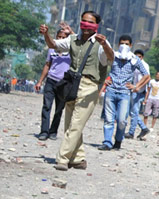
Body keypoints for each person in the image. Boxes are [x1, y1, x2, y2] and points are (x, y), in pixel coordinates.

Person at [39, 11, 114, 171]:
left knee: (76, 124)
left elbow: (110, 58)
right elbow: (53, 45)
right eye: (84, 21)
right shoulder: (72, 40)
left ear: (96, 26)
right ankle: (78, 159)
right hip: (72, 84)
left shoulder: (100, 44)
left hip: (90, 86)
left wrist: (105, 45)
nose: (86, 25)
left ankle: (63, 159)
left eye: (90, 23)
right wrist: (46, 34)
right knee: (70, 124)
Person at [98, 34, 149, 151]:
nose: (124, 46)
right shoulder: (114, 55)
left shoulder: (134, 60)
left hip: (124, 93)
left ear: (131, 45)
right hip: (111, 91)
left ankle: (118, 140)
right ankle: (107, 142)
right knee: (109, 119)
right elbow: (106, 55)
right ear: (118, 44)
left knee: (122, 120)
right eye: (122, 43)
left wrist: (136, 86)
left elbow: (146, 75)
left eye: (126, 44)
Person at [35, 29, 71, 141]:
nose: (60, 39)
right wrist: (40, 81)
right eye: (58, 37)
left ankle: (53, 131)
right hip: (51, 80)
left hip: (64, 83)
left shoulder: (71, 50)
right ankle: (44, 131)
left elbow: (79, 41)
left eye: (63, 37)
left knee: (59, 109)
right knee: (46, 106)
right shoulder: (52, 49)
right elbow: (47, 65)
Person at [125, 49, 151, 139]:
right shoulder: (134, 63)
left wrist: (138, 87)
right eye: (136, 56)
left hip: (139, 91)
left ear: (142, 57)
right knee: (132, 112)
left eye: (139, 57)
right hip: (134, 90)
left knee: (134, 112)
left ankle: (131, 132)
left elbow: (147, 78)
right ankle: (143, 128)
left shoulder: (145, 65)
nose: (138, 58)